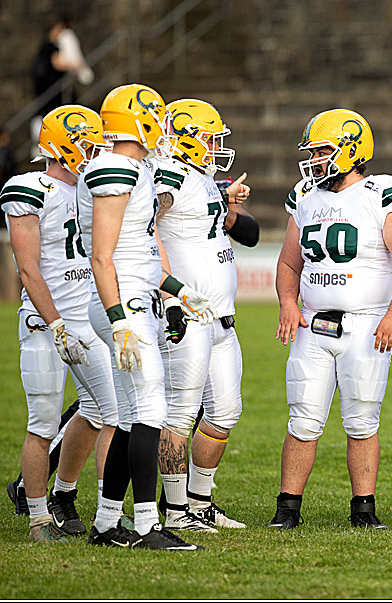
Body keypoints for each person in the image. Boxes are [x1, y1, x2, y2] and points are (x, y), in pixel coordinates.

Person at [270, 109, 392, 530]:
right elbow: (289, 263)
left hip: (366, 324)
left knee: (362, 419)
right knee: (303, 418)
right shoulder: (305, 195)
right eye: (312, 152)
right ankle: (287, 509)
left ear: (352, 151)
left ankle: (363, 510)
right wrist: (287, 302)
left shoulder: (381, 193)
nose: (314, 160)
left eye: (322, 151)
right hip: (312, 324)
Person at [80, 83, 215, 551]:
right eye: (158, 118)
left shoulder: (134, 167)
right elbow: (102, 256)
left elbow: (138, 255)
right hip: (123, 305)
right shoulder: (115, 166)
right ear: (138, 121)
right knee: (151, 410)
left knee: (128, 415)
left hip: (134, 297)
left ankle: (105, 523)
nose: (164, 128)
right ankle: (144, 527)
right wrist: (118, 319)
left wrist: (180, 291)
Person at [0, 105, 119, 542]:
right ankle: (37, 519)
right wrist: (55, 325)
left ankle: (93, 507)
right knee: (44, 423)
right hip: (44, 324)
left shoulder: (94, 188)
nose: (94, 152)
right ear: (62, 146)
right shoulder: (31, 188)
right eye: (86, 144)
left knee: (110, 413)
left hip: (87, 322)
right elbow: (28, 269)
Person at [154, 98, 252, 531]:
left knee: (225, 412)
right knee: (180, 413)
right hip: (187, 315)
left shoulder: (201, 177)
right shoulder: (168, 174)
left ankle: (199, 502)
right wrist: (170, 291)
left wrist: (226, 194)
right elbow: (144, 228)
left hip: (220, 317)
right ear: (187, 138)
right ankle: (176, 511)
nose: (215, 146)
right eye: (209, 138)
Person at [29, 17, 94, 145]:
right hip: (51, 89)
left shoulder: (45, 47)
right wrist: (77, 65)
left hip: (50, 89)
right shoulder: (49, 47)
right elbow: (58, 63)